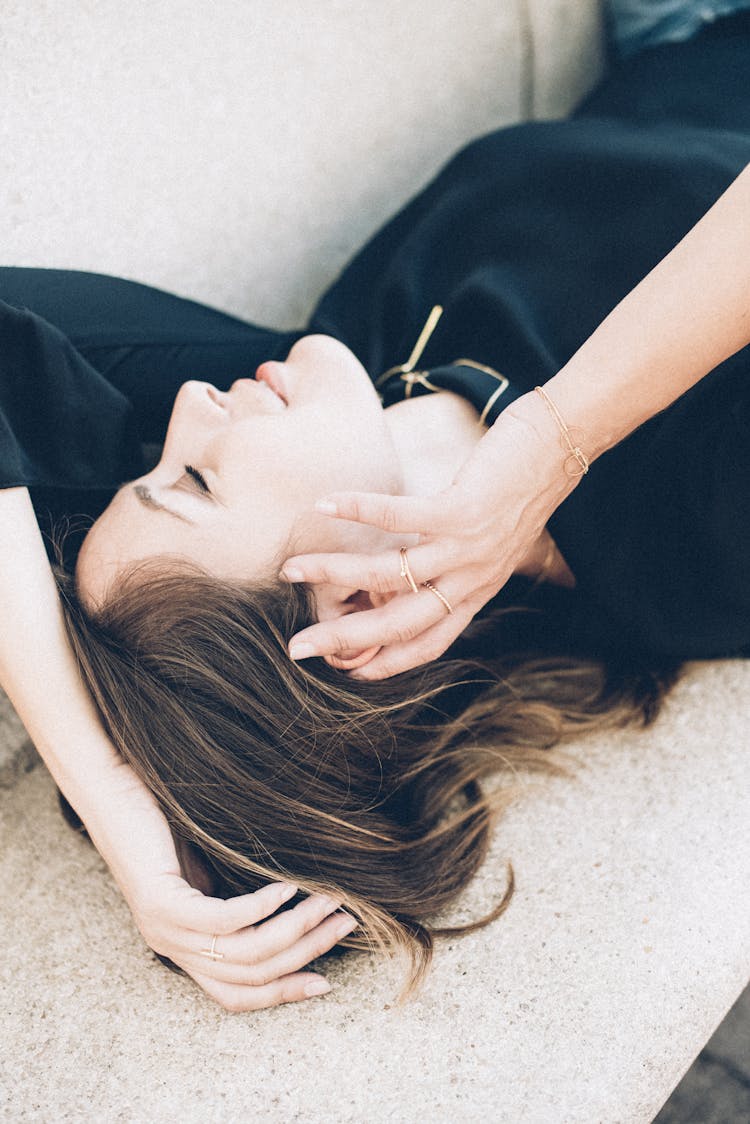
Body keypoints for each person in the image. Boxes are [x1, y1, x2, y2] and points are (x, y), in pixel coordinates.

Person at [2, 4, 750, 1010]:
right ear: (353, 608)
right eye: (195, 479)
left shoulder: (332, 371)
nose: (182, 409)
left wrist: (104, 781)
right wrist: (557, 434)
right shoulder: (702, 528)